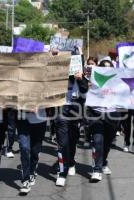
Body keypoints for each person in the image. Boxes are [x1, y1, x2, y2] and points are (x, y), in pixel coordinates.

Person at [54, 47, 89, 187]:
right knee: (62, 142)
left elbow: (85, 91)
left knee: (72, 140)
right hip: (61, 109)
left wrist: (80, 79)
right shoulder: (59, 73)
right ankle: (62, 173)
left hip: (75, 110)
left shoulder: (82, 76)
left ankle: (71, 161)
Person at [87, 60, 123, 182]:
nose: (106, 70)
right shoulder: (93, 79)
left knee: (107, 143)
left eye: (109, 68)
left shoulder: (117, 81)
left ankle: (103, 162)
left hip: (112, 116)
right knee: (98, 141)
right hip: (96, 115)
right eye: (104, 68)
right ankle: (96, 170)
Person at [17, 109, 47, 194]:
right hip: (22, 120)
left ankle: (32, 171)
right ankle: (26, 180)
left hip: (39, 120)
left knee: (35, 151)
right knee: (24, 148)